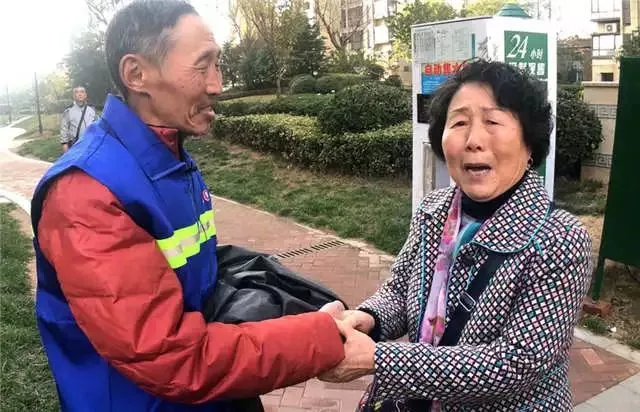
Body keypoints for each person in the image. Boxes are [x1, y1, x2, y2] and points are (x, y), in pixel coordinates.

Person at [30, 1, 371, 411]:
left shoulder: (170, 157)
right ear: (136, 74)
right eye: (202, 65)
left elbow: (193, 276)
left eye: (218, 64)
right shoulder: (86, 193)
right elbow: (170, 358)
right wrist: (321, 337)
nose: (217, 85)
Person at [319, 60, 593, 411]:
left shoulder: (560, 239)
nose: (474, 140)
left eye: (493, 122)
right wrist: (367, 319)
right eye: (460, 123)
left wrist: (380, 359)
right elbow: (400, 291)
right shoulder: (433, 211)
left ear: (529, 143)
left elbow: (516, 362)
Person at [59, 86, 96, 151]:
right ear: (74, 96)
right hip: (75, 147)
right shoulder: (68, 111)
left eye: (82, 92)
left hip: (90, 145)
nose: (80, 94)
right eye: (77, 92)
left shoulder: (92, 109)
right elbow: (63, 132)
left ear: (85, 95)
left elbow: (97, 126)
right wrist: (67, 153)